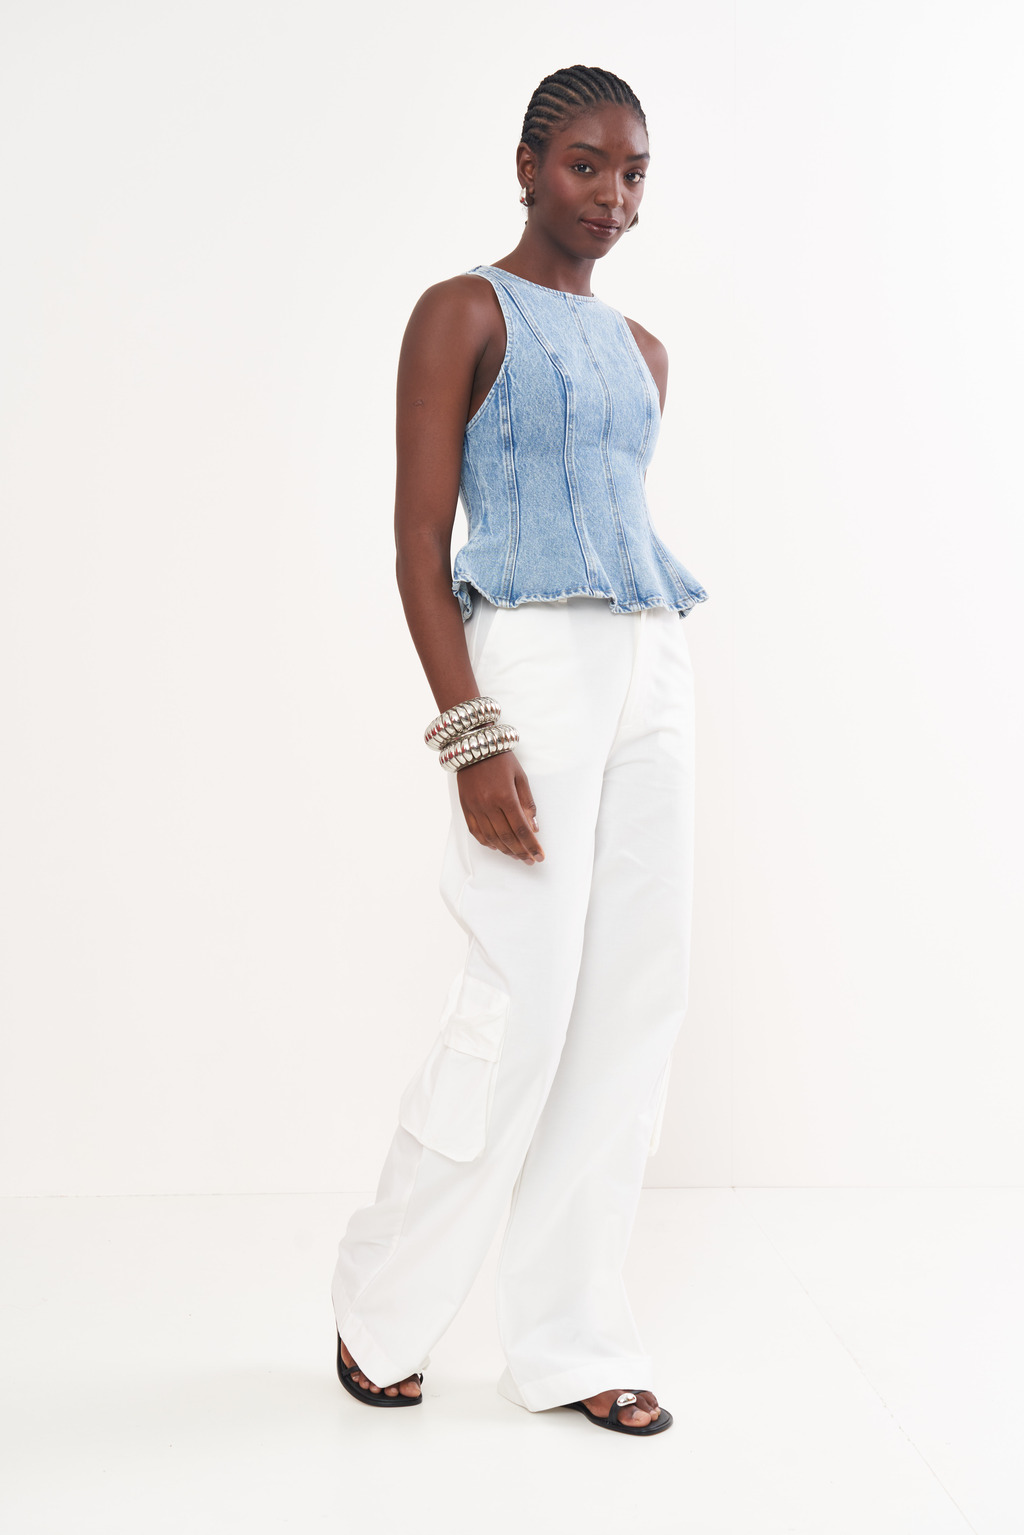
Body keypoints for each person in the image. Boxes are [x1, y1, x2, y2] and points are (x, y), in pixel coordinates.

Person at [331, 63, 708, 1437]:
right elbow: (416, 541)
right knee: (523, 1003)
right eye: (585, 165)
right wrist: (471, 732)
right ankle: (380, 1305)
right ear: (528, 165)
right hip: (531, 664)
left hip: (653, 661)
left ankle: (569, 1340)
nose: (611, 195)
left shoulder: (646, 353)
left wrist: (643, 680)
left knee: (634, 1007)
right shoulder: (463, 312)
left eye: (632, 172)